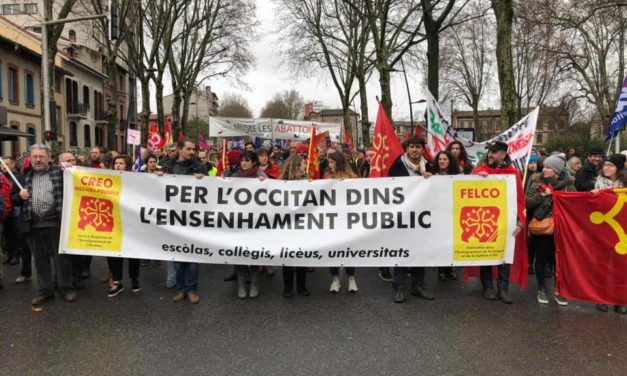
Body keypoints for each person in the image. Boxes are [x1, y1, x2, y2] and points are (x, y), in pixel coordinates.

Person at [13, 144, 76, 305]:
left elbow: (79, 183)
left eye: (41, 156)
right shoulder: (23, 177)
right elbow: (13, 199)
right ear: (30, 158)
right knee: (40, 261)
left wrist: (71, 169)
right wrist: (20, 196)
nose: (38, 160)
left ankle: (66, 289)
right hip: (32, 225)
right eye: (34, 157)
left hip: (56, 223)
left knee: (61, 259)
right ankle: (46, 291)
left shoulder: (61, 173)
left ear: (49, 158)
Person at [472, 140, 525, 304]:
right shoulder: (479, 172)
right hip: (485, 221)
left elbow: (520, 201)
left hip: (505, 223)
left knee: (505, 256)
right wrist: (476, 180)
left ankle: (503, 289)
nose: (490, 155)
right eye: (489, 151)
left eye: (494, 152)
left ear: (503, 155)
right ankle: (487, 287)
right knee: (486, 255)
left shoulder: (513, 174)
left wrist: (520, 222)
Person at [387, 137, 435, 303]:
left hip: (422, 217)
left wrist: (431, 179)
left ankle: (418, 286)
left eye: (418, 147)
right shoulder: (397, 166)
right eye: (412, 147)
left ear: (422, 149)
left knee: (419, 252)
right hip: (402, 217)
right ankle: (399, 288)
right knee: (401, 252)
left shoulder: (429, 166)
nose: (415, 150)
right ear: (406, 149)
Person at [160, 140, 206, 304]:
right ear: (179, 150)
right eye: (188, 149)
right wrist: (157, 178)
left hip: (193, 220)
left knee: (192, 258)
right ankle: (181, 289)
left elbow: (210, 189)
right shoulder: (167, 167)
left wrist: (204, 180)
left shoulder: (199, 167)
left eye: (193, 149)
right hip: (174, 219)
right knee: (178, 258)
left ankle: (192, 290)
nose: (192, 151)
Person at [526, 153, 573, 306]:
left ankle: (558, 290)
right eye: (544, 166)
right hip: (542, 226)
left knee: (557, 260)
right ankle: (541, 289)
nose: (544, 169)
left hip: (561, 228)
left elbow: (576, 201)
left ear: (556, 171)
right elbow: (527, 203)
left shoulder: (568, 185)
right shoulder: (536, 182)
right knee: (541, 258)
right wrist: (542, 194)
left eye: (548, 167)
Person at [592, 154, 627, 314]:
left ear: (618, 169)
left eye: (610, 165)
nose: (606, 168)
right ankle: (602, 298)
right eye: (605, 165)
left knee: (621, 266)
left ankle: (620, 300)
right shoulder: (598, 184)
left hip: (621, 232)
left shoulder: (625, 185)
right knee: (603, 266)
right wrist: (591, 197)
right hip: (602, 231)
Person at [106, 155, 142, 298]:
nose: (118, 166)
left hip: (131, 222)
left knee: (133, 252)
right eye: (116, 163)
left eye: (121, 163)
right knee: (114, 253)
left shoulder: (136, 180)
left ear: (127, 166)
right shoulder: (106, 179)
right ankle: (117, 281)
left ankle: (134, 279)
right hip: (113, 221)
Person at [234, 150, 267, 298]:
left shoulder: (261, 176)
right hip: (238, 222)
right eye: (242, 160)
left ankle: (254, 284)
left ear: (253, 162)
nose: (244, 163)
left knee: (253, 253)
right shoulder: (234, 177)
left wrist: (264, 183)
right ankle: (241, 285)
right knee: (239, 253)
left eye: (247, 160)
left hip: (255, 223)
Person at [325, 152, 359, 293]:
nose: (329, 165)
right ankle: (335, 278)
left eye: (332, 162)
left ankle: (351, 278)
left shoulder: (354, 179)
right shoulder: (327, 178)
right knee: (333, 249)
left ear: (339, 163)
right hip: (332, 221)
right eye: (329, 162)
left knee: (348, 249)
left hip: (348, 221)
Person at [279, 155, 310, 298]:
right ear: (297, 166)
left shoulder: (307, 180)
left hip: (302, 224)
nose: (305, 165)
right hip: (286, 224)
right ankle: (288, 287)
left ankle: (301, 286)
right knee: (287, 256)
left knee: (301, 256)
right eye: (303, 163)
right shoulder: (282, 182)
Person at [58, 152, 90, 290]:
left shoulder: (82, 174)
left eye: (73, 160)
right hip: (59, 218)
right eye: (67, 160)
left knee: (76, 250)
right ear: (60, 163)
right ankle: (60, 278)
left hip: (78, 217)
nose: (71, 163)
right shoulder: (55, 176)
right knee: (60, 252)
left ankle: (77, 277)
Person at [431, 151, 461, 282]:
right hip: (438, 214)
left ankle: (450, 269)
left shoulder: (458, 177)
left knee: (451, 243)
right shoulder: (432, 176)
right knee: (440, 242)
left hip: (453, 214)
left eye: (445, 159)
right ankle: (441, 270)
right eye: (440, 159)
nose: (442, 161)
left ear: (450, 161)